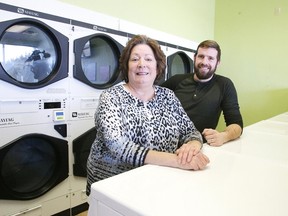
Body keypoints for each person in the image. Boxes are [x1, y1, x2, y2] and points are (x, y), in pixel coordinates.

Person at [86, 35, 210, 195]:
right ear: (126, 66)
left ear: (158, 67)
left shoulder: (168, 96)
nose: (141, 64)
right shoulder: (111, 97)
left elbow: (190, 132)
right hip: (114, 185)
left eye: (148, 59)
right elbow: (118, 146)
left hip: (158, 181)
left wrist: (192, 147)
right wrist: (178, 161)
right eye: (135, 59)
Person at [161, 40, 243, 146]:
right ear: (195, 58)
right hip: (166, 144)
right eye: (201, 56)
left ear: (218, 63)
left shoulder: (224, 85)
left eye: (210, 58)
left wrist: (223, 136)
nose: (204, 62)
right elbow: (150, 102)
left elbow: (236, 124)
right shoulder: (176, 80)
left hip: (198, 148)